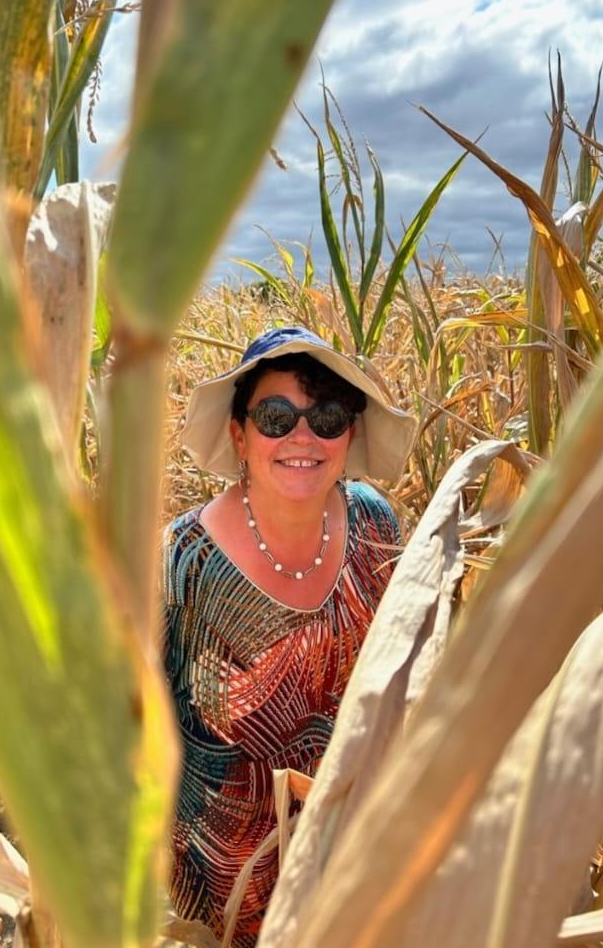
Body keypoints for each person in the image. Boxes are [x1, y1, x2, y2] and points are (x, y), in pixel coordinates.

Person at [162, 325, 416, 947]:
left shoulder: (375, 524)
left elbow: (404, 680)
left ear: (349, 433)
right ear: (239, 434)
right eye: (276, 417)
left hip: (351, 852)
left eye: (327, 416)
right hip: (225, 885)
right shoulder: (183, 561)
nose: (303, 436)